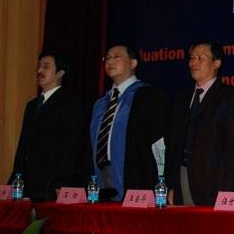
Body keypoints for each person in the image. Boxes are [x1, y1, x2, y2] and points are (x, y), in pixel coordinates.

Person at [165, 41, 234, 206]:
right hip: (182, 180)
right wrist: (171, 185)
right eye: (192, 58)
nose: (193, 63)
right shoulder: (181, 98)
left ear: (216, 63)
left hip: (214, 184)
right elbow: (173, 145)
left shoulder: (231, 98)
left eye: (200, 58)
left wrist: (227, 193)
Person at [90, 45, 169, 200]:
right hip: (102, 180)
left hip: (137, 179)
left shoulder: (148, 96)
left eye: (117, 56)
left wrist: (163, 180)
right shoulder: (101, 102)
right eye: (107, 58)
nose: (110, 61)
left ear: (133, 63)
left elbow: (160, 143)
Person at [10, 52, 86, 201]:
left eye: (45, 67)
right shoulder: (31, 106)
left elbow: (70, 148)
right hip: (28, 183)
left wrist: (61, 183)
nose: (39, 71)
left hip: (52, 184)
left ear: (60, 73)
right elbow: (23, 145)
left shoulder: (70, 104)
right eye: (38, 67)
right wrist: (15, 178)